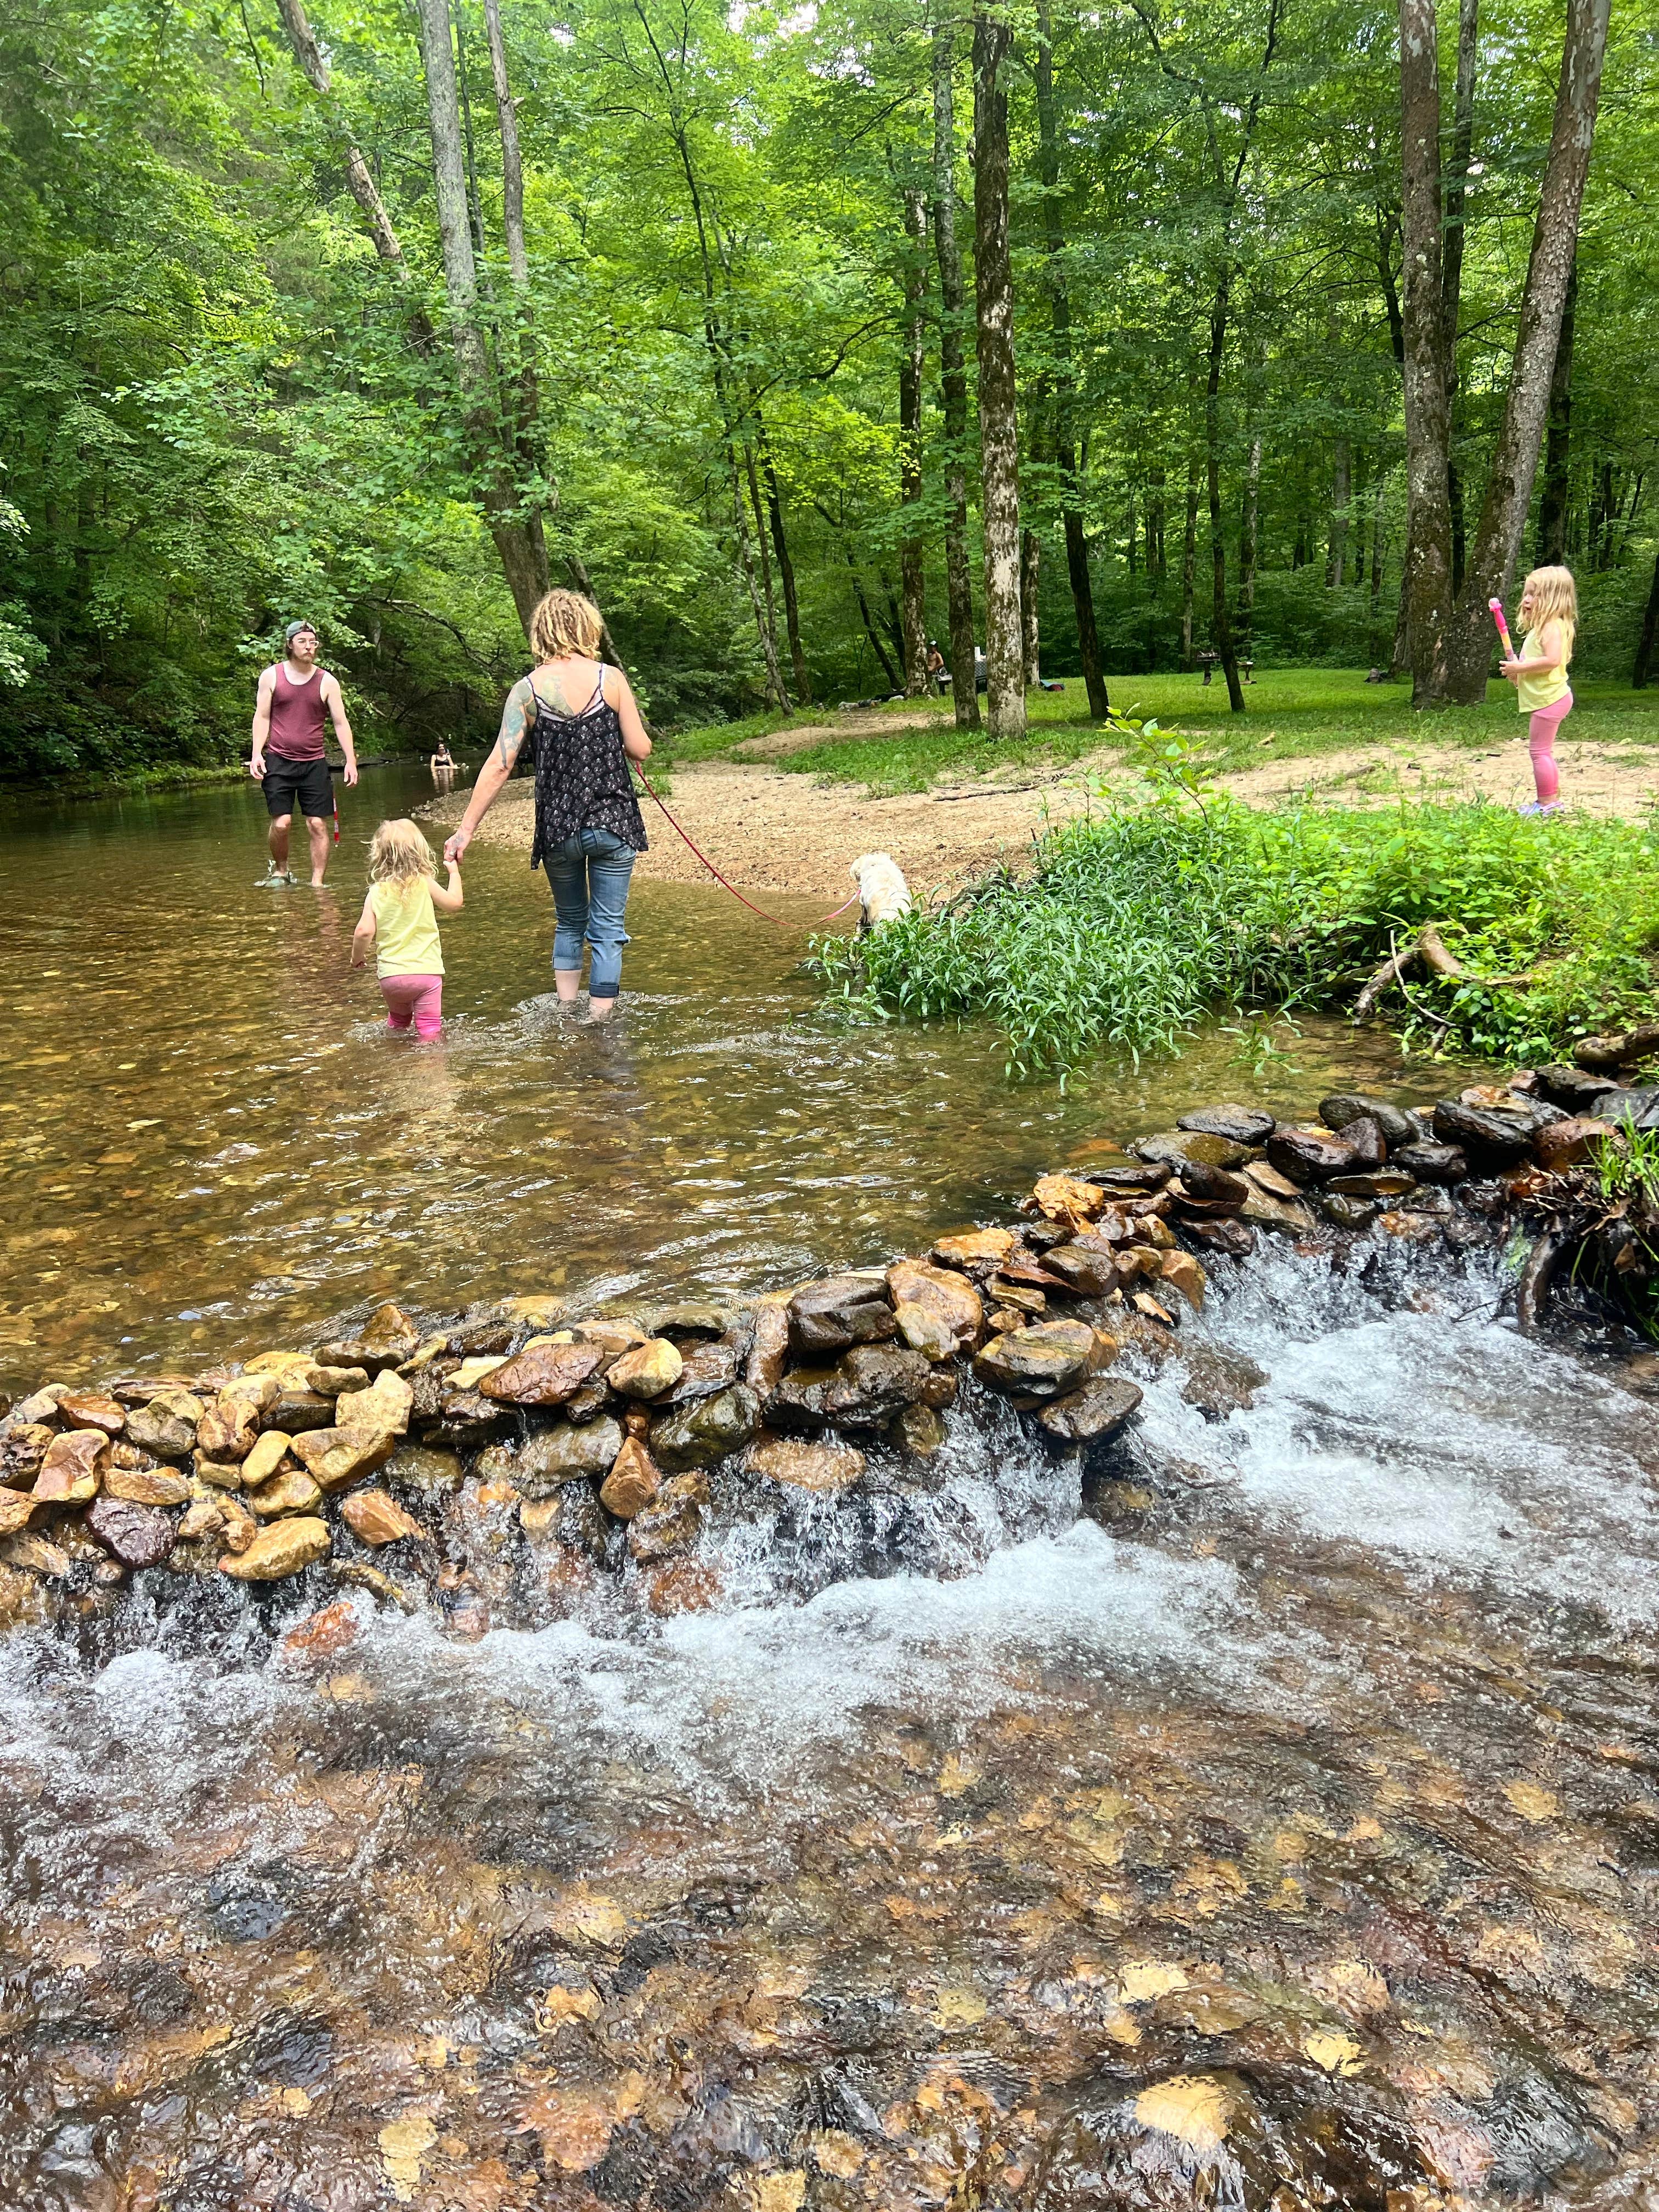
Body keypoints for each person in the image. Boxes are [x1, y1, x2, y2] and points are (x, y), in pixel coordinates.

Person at [444, 589, 651, 1023]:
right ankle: (600, 1022)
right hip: (614, 823)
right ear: (587, 627)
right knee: (608, 930)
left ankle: (564, 1013)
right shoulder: (610, 679)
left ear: (542, 633)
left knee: (570, 922)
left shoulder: (527, 690)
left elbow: (500, 764)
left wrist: (465, 830)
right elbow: (640, 748)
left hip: (560, 828)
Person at [250, 621, 358, 886]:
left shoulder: (327, 681)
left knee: (317, 825)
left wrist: (351, 760)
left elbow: (341, 722)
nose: (309, 647)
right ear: (289, 644)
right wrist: (256, 753)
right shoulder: (272, 677)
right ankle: (281, 870)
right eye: (302, 641)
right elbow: (262, 717)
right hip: (278, 760)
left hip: (314, 764)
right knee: (282, 824)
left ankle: (317, 884)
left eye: (313, 642)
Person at [350, 819, 463, 1039]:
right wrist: (454, 873)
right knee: (429, 1028)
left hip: (391, 977)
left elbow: (363, 931)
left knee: (398, 1022)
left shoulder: (376, 892)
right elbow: (454, 903)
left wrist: (357, 957)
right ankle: (429, 1065)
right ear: (418, 851)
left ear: (380, 855)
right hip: (426, 974)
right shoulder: (424, 882)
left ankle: (394, 1060)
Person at [1501, 565, 1577, 814]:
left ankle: (1547, 803)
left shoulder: (1551, 627)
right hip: (1550, 698)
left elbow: (1552, 661)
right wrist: (1519, 674)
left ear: (1554, 598)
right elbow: (1538, 666)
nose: (1526, 600)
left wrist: (1520, 669)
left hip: (1551, 699)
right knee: (1543, 751)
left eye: (1535, 594)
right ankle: (1551, 801)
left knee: (1540, 752)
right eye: (1526, 593)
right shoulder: (1543, 627)